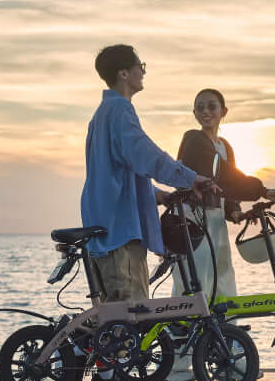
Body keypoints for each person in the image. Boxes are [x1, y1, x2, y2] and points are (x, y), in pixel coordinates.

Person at [81, 45, 220, 309]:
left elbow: (119, 171)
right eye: (139, 66)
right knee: (131, 316)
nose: (142, 72)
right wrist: (190, 178)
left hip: (105, 229)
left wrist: (159, 195)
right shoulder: (120, 110)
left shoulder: (101, 115)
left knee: (112, 320)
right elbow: (146, 156)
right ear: (124, 73)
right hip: (119, 232)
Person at [175, 87, 268, 303]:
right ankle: (183, 335)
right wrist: (263, 191)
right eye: (200, 107)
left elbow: (229, 184)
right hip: (194, 222)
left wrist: (235, 212)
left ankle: (225, 336)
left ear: (223, 111)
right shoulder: (193, 140)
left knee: (223, 282)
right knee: (195, 284)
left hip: (217, 222)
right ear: (194, 113)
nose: (205, 111)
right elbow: (225, 175)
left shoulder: (225, 146)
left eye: (211, 106)